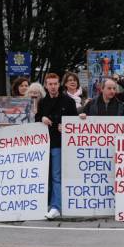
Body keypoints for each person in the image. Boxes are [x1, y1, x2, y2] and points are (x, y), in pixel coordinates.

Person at [35, 73, 77, 219]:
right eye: (50, 84)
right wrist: (41, 118)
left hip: (59, 144)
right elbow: (36, 118)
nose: (52, 87)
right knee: (45, 176)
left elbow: (75, 122)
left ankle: (56, 206)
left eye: (55, 83)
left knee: (56, 176)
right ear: (46, 85)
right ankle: (46, 203)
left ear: (59, 84)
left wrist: (66, 126)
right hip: (44, 144)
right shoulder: (42, 102)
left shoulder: (68, 101)